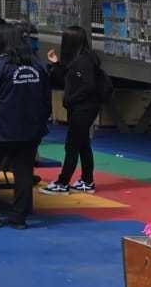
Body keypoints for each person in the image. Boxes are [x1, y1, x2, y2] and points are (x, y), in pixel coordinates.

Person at [0, 25, 51, 229]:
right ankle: (19, 218)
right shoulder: (38, 65)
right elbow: (46, 100)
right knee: (23, 171)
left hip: (2, 129)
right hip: (31, 130)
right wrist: (41, 125)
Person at [43, 25, 106, 194]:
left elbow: (87, 86)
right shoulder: (79, 60)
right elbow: (66, 80)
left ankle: (63, 182)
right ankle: (87, 180)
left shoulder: (83, 61)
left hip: (84, 108)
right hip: (82, 107)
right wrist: (56, 64)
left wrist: (71, 99)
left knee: (72, 145)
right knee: (83, 143)